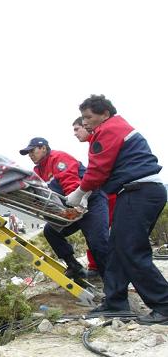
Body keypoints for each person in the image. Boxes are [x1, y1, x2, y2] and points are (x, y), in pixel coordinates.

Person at [70, 95, 168, 323]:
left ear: (104, 114)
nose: (85, 123)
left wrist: (80, 192)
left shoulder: (108, 130)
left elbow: (97, 170)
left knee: (130, 249)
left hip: (140, 191)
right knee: (116, 248)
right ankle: (115, 303)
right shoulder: (113, 128)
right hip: (138, 191)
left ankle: (164, 304)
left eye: (88, 117)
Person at [19, 137, 109, 279]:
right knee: (51, 230)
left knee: (97, 242)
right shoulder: (37, 170)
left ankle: (112, 284)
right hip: (71, 207)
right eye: (28, 153)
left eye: (32, 151)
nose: (30, 155)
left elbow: (71, 183)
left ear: (43, 148)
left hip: (90, 202)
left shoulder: (58, 158)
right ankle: (74, 266)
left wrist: (75, 208)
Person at [72, 116, 117, 277]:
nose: (75, 133)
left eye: (78, 128)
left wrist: (80, 194)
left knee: (98, 233)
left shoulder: (100, 139)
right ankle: (96, 266)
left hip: (111, 193)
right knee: (94, 233)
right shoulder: (93, 143)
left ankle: (109, 273)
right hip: (107, 191)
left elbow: (97, 170)